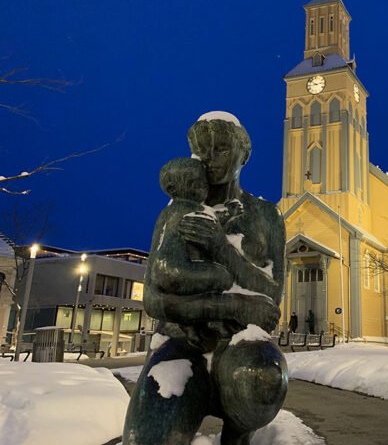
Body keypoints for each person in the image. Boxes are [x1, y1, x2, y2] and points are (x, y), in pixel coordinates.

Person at [123, 112, 287, 445]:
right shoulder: (178, 211)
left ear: (244, 153)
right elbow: (154, 298)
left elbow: (272, 299)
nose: (208, 159)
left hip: (241, 347)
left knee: (261, 378)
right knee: (148, 437)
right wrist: (229, 305)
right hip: (181, 344)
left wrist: (221, 249)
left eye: (221, 148)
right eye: (200, 150)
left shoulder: (265, 215)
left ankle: (239, 432)